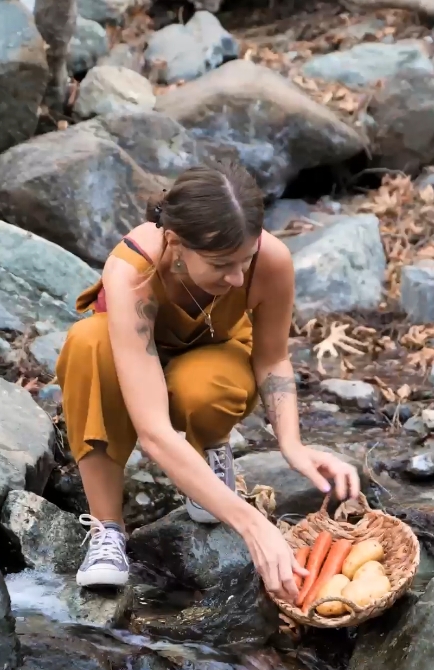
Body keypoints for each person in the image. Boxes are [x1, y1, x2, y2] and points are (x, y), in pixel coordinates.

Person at [56, 161, 360, 603]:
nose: (238, 278)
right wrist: (253, 524)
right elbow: (153, 432)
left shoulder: (271, 261)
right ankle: (108, 530)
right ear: (176, 244)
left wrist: (293, 446)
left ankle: (208, 452)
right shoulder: (133, 270)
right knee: (86, 343)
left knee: (204, 388)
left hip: (216, 350)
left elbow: (273, 359)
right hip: (132, 353)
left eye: (246, 260)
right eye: (222, 264)